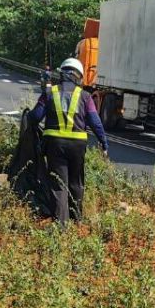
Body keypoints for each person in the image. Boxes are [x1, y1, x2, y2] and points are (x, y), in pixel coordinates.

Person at [28, 57, 108, 225]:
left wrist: (28, 115)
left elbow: (35, 117)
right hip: (77, 146)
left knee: (59, 184)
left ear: (62, 73)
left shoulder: (50, 93)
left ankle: (61, 226)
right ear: (78, 76)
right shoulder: (85, 96)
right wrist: (104, 142)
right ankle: (77, 220)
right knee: (76, 182)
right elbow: (95, 122)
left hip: (55, 145)